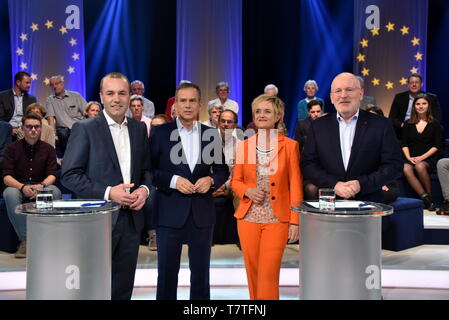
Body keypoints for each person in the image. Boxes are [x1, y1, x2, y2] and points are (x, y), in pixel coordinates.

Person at [61, 72, 152, 300]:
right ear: (101, 96)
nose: (116, 99)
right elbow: (70, 175)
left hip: (131, 221)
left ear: (130, 96)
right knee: (94, 289)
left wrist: (144, 190)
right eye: (110, 93)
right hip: (97, 221)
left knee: (122, 289)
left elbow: (147, 171)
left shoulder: (139, 129)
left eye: (122, 93)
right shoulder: (85, 128)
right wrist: (109, 192)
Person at [150, 82, 229, 300]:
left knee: (201, 275)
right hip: (169, 211)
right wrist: (174, 180)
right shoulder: (159, 133)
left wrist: (211, 180)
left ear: (200, 104)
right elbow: (149, 171)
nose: (187, 105)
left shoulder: (211, 134)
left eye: (192, 100)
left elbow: (222, 170)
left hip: (202, 213)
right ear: (175, 104)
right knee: (166, 275)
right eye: (182, 100)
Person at [231, 94, 302, 300]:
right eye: (258, 111)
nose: (261, 115)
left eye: (267, 111)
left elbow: (295, 185)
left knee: (268, 274)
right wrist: (247, 190)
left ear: (278, 116)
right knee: (252, 274)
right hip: (247, 218)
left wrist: (295, 222)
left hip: (276, 219)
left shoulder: (290, 146)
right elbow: (235, 181)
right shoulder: (244, 145)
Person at [301, 72, 403, 203]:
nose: (343, 95)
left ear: (361, 93)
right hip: (329, 205)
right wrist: (334, 184)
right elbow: (308, 164)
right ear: (332, 98)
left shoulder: (381, 124)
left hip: (369, 204)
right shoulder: (318, 126)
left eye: (349, 89)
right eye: (338, 91)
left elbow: (394, 165)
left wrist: (361, 184)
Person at [3, 114, 61, 258]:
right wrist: (23, 187)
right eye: (29, 127)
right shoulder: (12, 148)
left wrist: (41, 186)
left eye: (36, 127)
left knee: (55, 191)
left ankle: (44, 238)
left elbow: (52, 174)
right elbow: (6, 177)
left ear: (41, 128)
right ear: (23, 128)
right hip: (19, 186)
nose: (33, 130)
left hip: (41, 186)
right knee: (9, 193)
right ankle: (26, 240)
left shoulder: (48, 149)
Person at [401, 93, 443, 211]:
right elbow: (404, 143)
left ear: (428, 106)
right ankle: (426, 199)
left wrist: (421, 157)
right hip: (410, 157)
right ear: (414, 106)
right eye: (418, 104)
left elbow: (437, 146)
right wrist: (409, 157)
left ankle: (430, 196)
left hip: (429, 158)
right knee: (406, 168)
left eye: (424, 104)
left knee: (419, 166)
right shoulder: (408, 124)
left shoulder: (435, 124)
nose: (420, 106)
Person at [212, 109, 241, 245]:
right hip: (211, 184)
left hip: (230, 185)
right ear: (218, 123)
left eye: (229, 122)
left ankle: (242, 237)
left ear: (235, 125)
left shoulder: (240, 146)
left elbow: (237, 172)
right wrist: (214, 186)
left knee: (241, 194)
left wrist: (225, 186)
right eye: (222, 121)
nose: (225, 124)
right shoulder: (208, 142)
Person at [45, 75, 87, 158]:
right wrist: (53, 135)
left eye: (56, 84)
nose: (54, 86)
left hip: (78, 128)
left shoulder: (76, 96)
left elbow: (87, 112)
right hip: (64, 132)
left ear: (62, 84)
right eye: (52, 85)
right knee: (62, 132)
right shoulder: (50, 100)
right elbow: (51, 118)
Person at [389, 73, 441, 139]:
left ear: (421, 84)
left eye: (417, 82)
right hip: (403, 130)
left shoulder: (432, 98)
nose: (414, 85)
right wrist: (403, 125)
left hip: (425, 130)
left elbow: (437, 118)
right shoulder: (399, 97)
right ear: (408, 85)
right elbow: (392, 118)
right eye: (411, 82)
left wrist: (425, 127)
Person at [365, 106, 400, 203]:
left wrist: (380, 182)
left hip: (385, 180)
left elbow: (392, 165)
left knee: (387, 194)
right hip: (363, 181)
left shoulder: (387, 137)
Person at [146, 114, 169, 251]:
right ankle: (153, 233)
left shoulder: (176, 145)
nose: (156, 130)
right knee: (151, 197)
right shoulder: (144, 144)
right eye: (153, 127)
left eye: (159, 127)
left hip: (171, 181)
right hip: (150, 181)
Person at [0, 71, 37, 138]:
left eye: (29, 83)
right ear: (18, 82)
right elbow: (1, 118)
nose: (29, 85)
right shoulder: (2, 96)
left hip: (25, 129)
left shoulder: (32, 99)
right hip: (7, 129)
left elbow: (33, 117)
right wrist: (10, 130)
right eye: (27, 83)